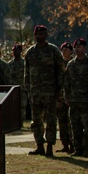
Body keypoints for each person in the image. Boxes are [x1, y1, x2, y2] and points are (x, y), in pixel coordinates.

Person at [23, 25, 65, 156]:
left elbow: (60, 71)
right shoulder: (30, 52)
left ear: (46, 35)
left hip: (50, 92)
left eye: (42, 34)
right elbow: (27, 74)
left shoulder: (53, 51)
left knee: (51, 120)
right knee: (36, 121)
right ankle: (39, 145)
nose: (39, 36)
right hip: (35, 93)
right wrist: (29, 90)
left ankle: (50, 147)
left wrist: (58, 90)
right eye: (37, 34)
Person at [63, 38, 88, 158]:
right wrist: (66, 96)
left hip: (87, 101)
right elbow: (67, 82)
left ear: (84, 48)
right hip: (74, 100)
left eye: (80, 47)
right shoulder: (71, 64)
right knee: (75, 126)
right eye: (76, 47)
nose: (77, 49)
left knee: (87, 126)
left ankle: (87, 149)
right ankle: (78, 148)